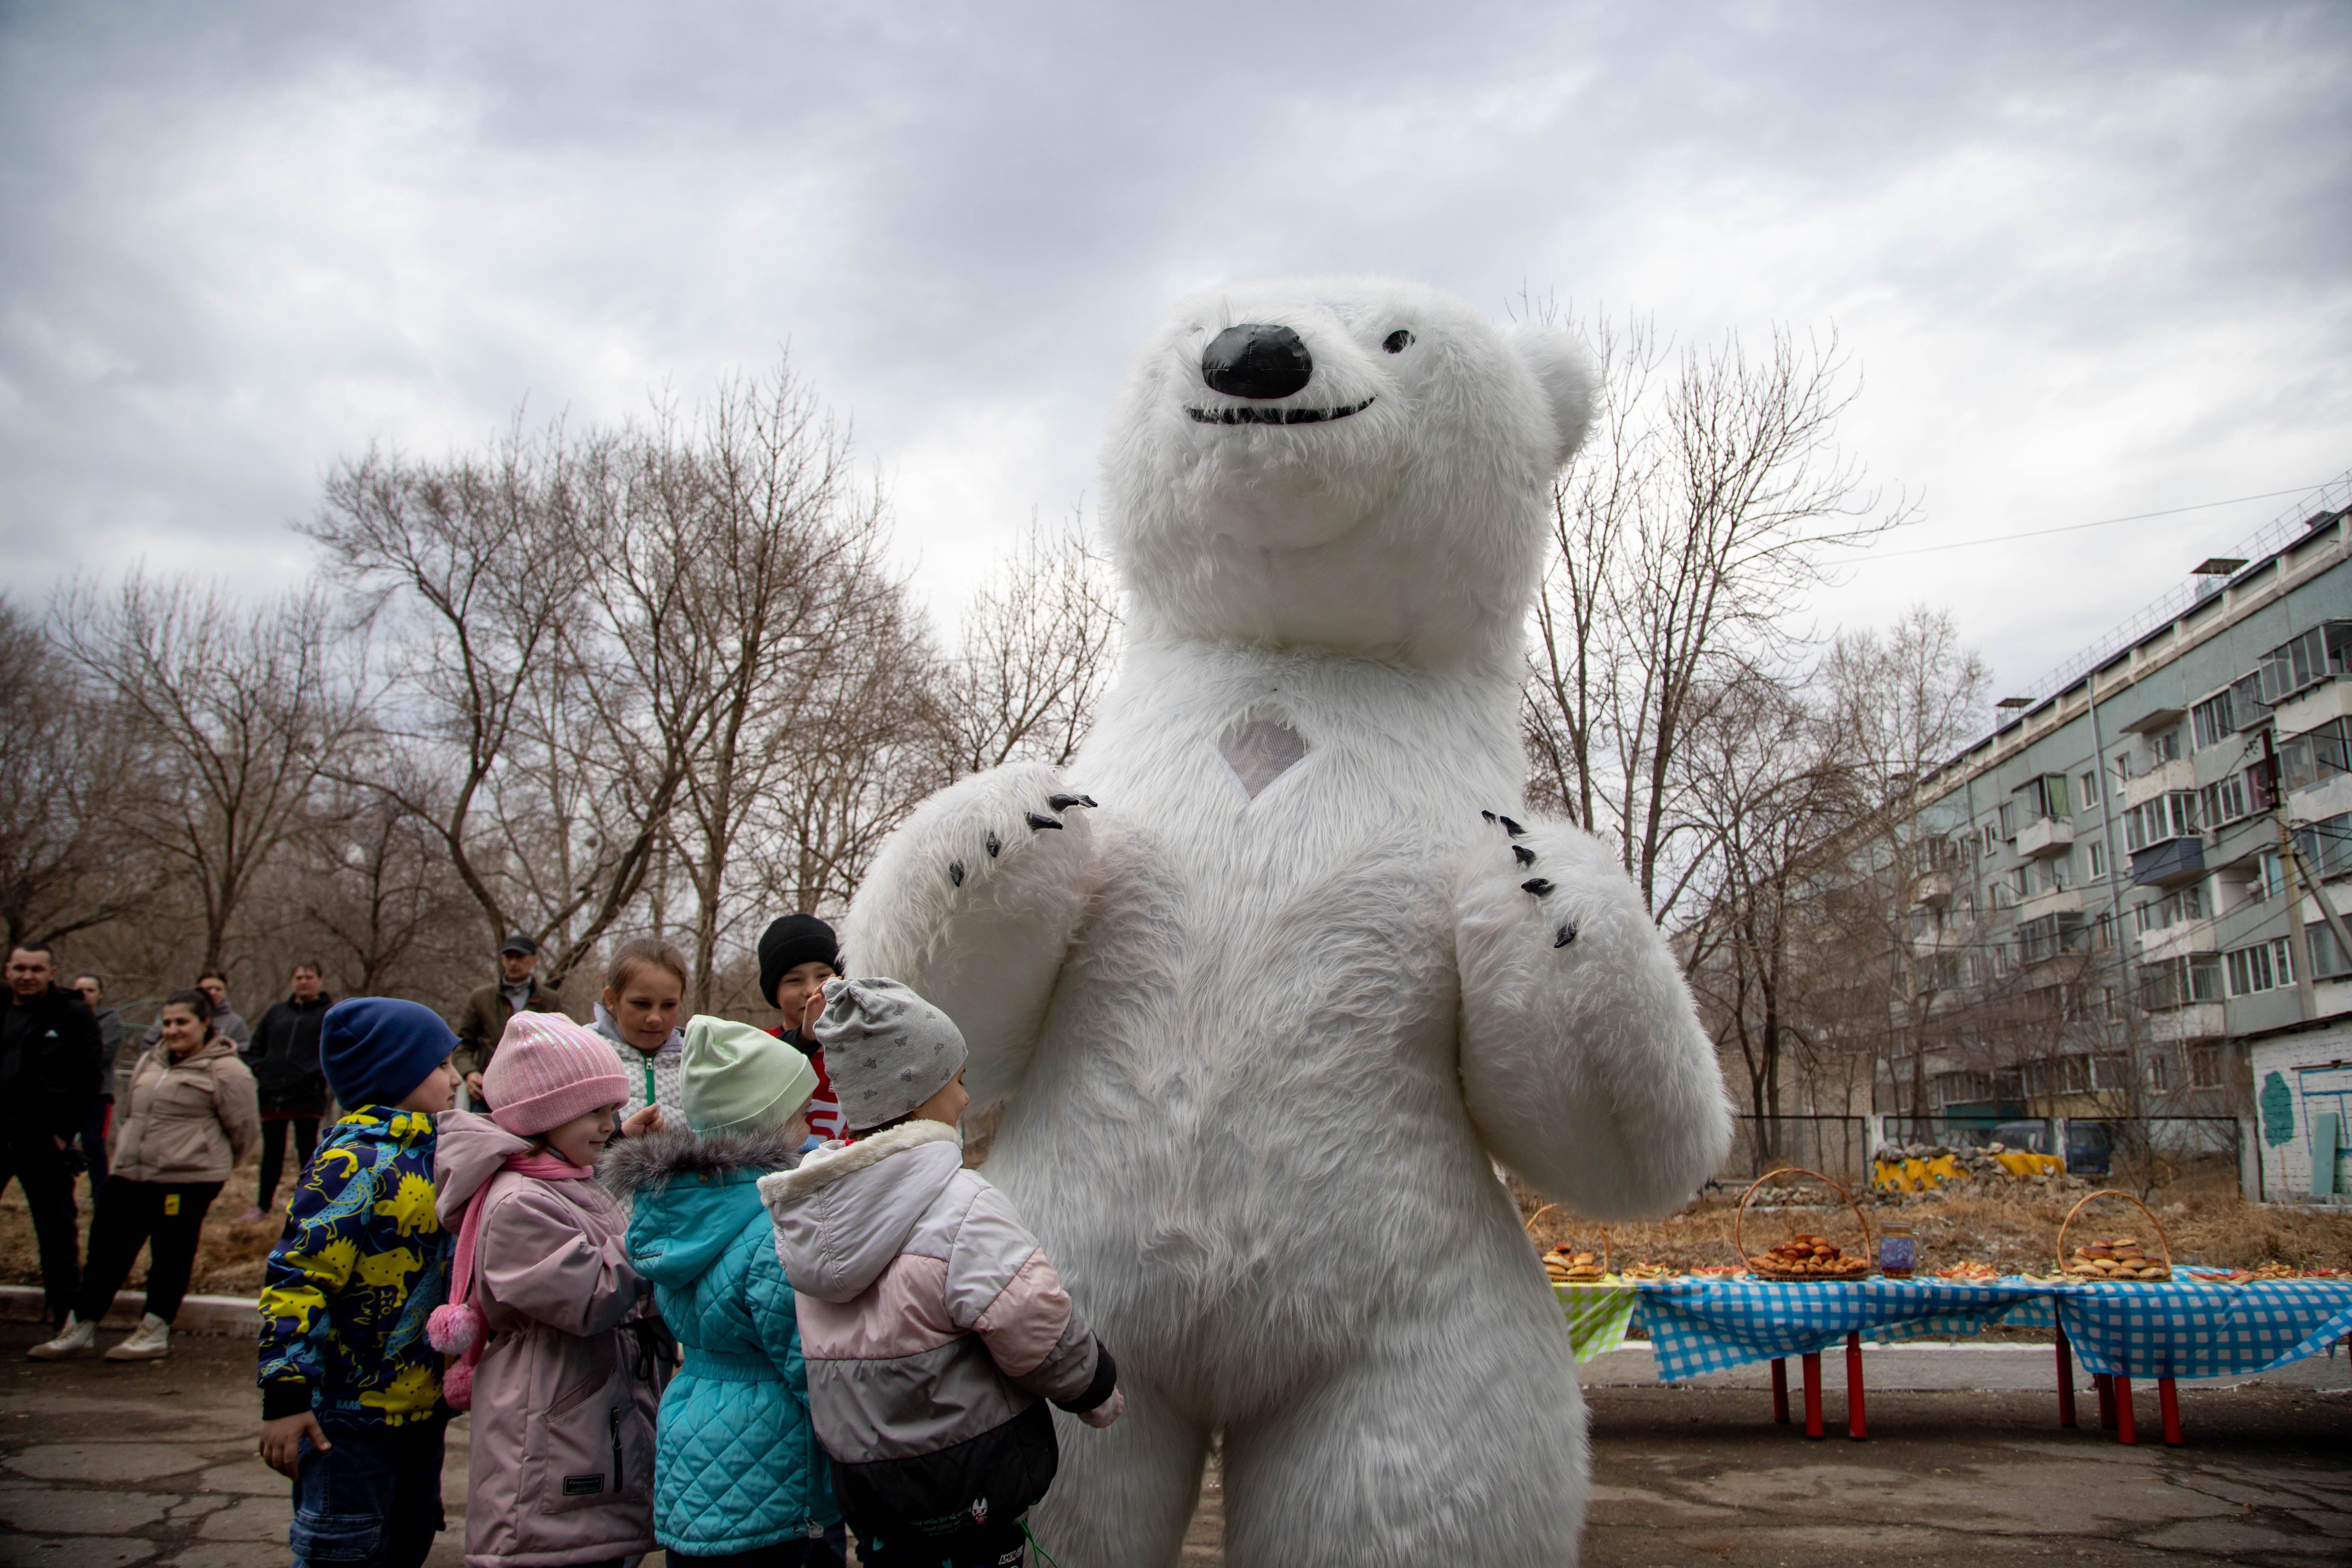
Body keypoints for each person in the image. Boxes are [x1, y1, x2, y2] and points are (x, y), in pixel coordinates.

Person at [760, 979, 1122, 1568]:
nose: (964, 1099)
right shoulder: (961, 1205)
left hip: (874, 1505)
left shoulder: (811, 1218)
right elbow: (1030, 1317)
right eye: (956, 1081)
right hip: (969, 1496)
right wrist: (1093, 1385)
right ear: (919, 1093)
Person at [605, 1014, 844, 1566]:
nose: (811, 1122)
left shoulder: (678, 1214)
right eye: (800, 1112)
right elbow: (808, 1365)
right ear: (766, 1124)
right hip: (775, 1465)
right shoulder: (770, 1234)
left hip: (693, 1436)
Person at [432, 1012, 659, 1568]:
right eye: (596, 1112)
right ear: (544, 1114)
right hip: (551, 1422)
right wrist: (656, 1232)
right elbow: (590, 1294)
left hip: (587, 1410)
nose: (612, 1126)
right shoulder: (519, 1203)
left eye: (614, 1110)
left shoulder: (568, 1183)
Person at [256, 998, 464, 1568]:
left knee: (408, 1542)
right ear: (393, 1074)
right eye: (440, 1066)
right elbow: (299, 1278)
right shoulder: (352, 1163)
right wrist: (286, 1392)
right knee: (343, 1551)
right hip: (349, 1421)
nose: (453, 1079)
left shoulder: (440, 1152)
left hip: (422, 1412)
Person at [29, 988, 259, 1361]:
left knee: (170, 1253)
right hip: (131, 1172)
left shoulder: (228, 1070)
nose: (172, 1030)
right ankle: (83, 1325)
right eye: (166, 1022)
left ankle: (154, 1328)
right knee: (106, 1248)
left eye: (182, 1022)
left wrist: (204, 1159)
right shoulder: (150, 1061)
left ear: (205, 1023)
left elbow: (245, 1130)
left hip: (187, 1178)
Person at [2, 943, 102, 1325]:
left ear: (51, 972)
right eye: (20, 968)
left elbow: (89, 1076)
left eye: (36, 969)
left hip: (42, 1136)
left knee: (57, 1228)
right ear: (8, 970)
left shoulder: (71, 1013)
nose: (27, 976)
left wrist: (63, 1131)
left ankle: (66, 1318)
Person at [240, 962, 335, 1222]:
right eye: (298, 977)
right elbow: (255, 1048)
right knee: (272, 1153)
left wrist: (316, 1074)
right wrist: (261, 1069)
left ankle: (309, 1205)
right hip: (273, 1094)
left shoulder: (329, 1015)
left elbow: (335, 1051)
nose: (303, 982)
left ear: (320, 980)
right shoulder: (276, 1013)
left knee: (307, 1152)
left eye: (309, 977)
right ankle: (263, 1207)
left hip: (307, 1095)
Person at [757, 915, 847, 1144]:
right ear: (774, 993)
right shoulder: (759, 1045)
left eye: (822, 976)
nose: (810, 990)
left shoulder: (860, 1047)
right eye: (794, 980)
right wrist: (806, 1039)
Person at [454, 933, 563, 1107]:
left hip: (532, 1091)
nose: (514, 963)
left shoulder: (549, 1000)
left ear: (533, 960)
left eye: (519, 957)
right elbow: (463, 1044)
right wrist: (470, 1072)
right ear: (503, 960)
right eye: (509, 957)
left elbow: (558, 1045)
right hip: (486, 1090)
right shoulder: (481, 998)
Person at [594, 937, 689, 1129]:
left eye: (669, 1005)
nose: (655, 1018)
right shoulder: (585, 1056)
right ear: (611, 998)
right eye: (641, 1004)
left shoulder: (697, 1061)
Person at [70, 972, 126, 1196]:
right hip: (65, 1094)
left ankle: (101, 1199)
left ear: (101, 994)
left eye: (90, 990)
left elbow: (104, 1054)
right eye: (79, 990)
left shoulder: (111, 1020)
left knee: (94, 1147)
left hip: (98, 1094)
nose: (84, 995)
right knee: (58, 1148)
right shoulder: (65, 1016)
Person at [141, 967, 252, 1054]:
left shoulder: (235, 1023)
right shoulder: (177, 1014)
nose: (213, 993)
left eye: (218, 989)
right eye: (208, 988)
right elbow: (149, 1042)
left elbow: (244, 1052)